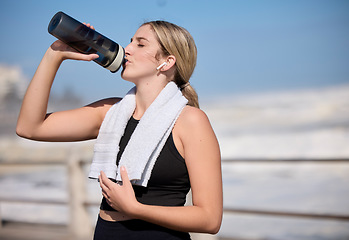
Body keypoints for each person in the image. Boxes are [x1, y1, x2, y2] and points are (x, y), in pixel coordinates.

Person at [16, 20, 223, 240]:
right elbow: (29, 127)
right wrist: (54, 54)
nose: (128, 49)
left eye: (140, 44)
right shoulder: (110, 112)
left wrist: (136, 209)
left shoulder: (190, 120)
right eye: (130, 41)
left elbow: (210, 219)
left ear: (167, 61)